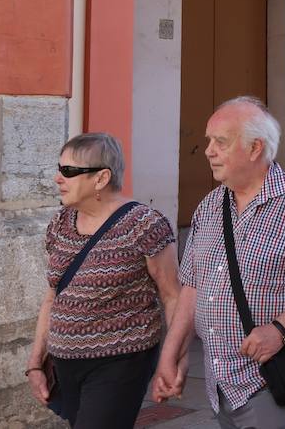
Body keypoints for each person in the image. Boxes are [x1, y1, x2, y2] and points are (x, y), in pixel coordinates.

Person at [154, 97, 285, 429]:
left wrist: (279, 331)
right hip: (219, 381)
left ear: (255, 148)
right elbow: (193, 286)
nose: (208, 151)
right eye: (209, 140)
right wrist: (172, 354)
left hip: (269, 379)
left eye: (221, 142)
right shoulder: (211, 206)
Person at [27, 133, 180, 428]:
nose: (59, 178)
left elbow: (173, 295)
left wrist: (172, 359)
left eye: (69, 171)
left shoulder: (143, 225)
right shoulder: (61, 223)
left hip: (120, 362)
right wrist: (36, 362)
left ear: (101, 178)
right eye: (59, 169)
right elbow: (52, 297)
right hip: (66, 365)